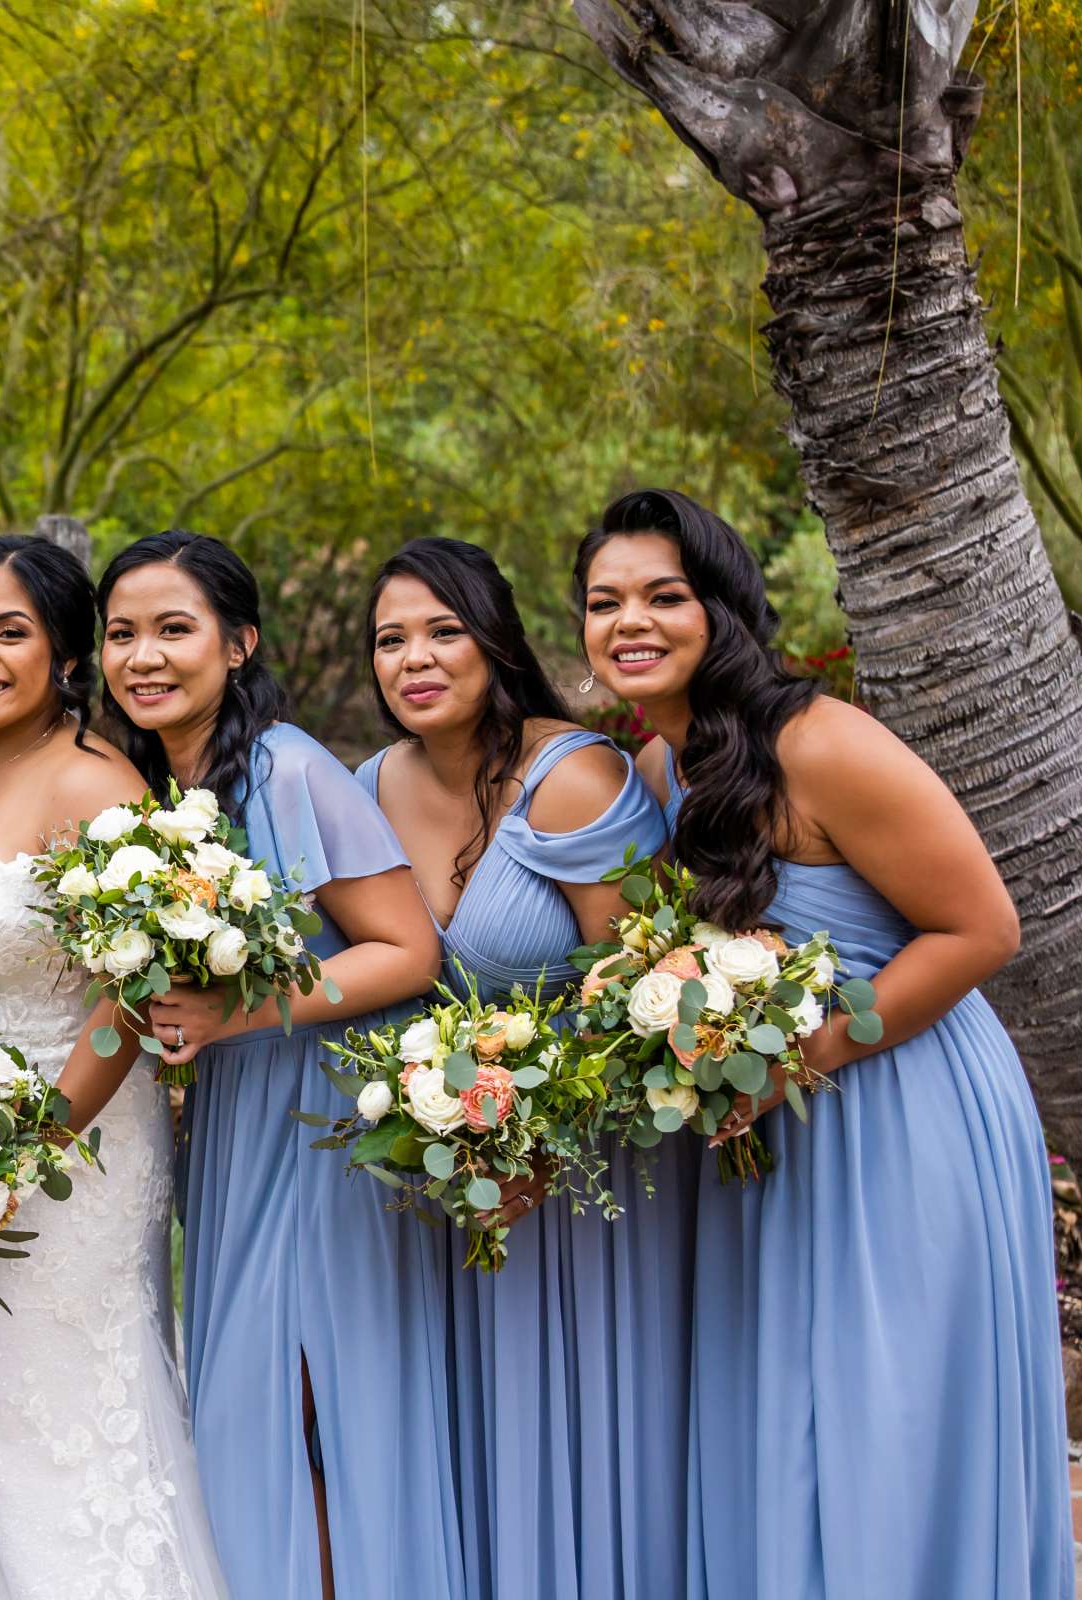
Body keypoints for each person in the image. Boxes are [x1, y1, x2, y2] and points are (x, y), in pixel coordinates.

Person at [577, 488, 1072, 1599]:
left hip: (903, 1102)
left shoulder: (825, 743)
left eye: (665, 595)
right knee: (790, 1416)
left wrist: (806, 1057)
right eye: (604, 602)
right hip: (779, 1125)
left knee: (884, 1416)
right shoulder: (662, 770)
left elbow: (984, 927)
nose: (630, 623)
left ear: (724, 606)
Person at [0, 534, 230, 1600]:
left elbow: (132, 997)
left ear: (66, 655)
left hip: (68, 1159)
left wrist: (20, 1154)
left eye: (9, 631)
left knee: (69, 1431)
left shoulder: (95, 781)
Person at [97, 529, 447, 1600]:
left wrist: (230, 1017)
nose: (143, 656)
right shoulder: (151, 794)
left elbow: (407, 950)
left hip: (312, 1121)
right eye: (121, 634)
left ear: (238, 641)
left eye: (173, 629)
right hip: (230, 1123)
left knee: (307, 1406)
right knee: (246, 1414)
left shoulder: (288, 765)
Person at [361, 536, 684, 1598]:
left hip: (593, 1170)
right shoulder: (364, 789)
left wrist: (537, 1132)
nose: (415, 657)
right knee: (470, 1428)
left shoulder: (575, 777)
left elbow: (646, 988)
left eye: (443, 631)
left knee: (592, 1423)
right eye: (390, 639)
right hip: (456, 1177)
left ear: (494, 639)